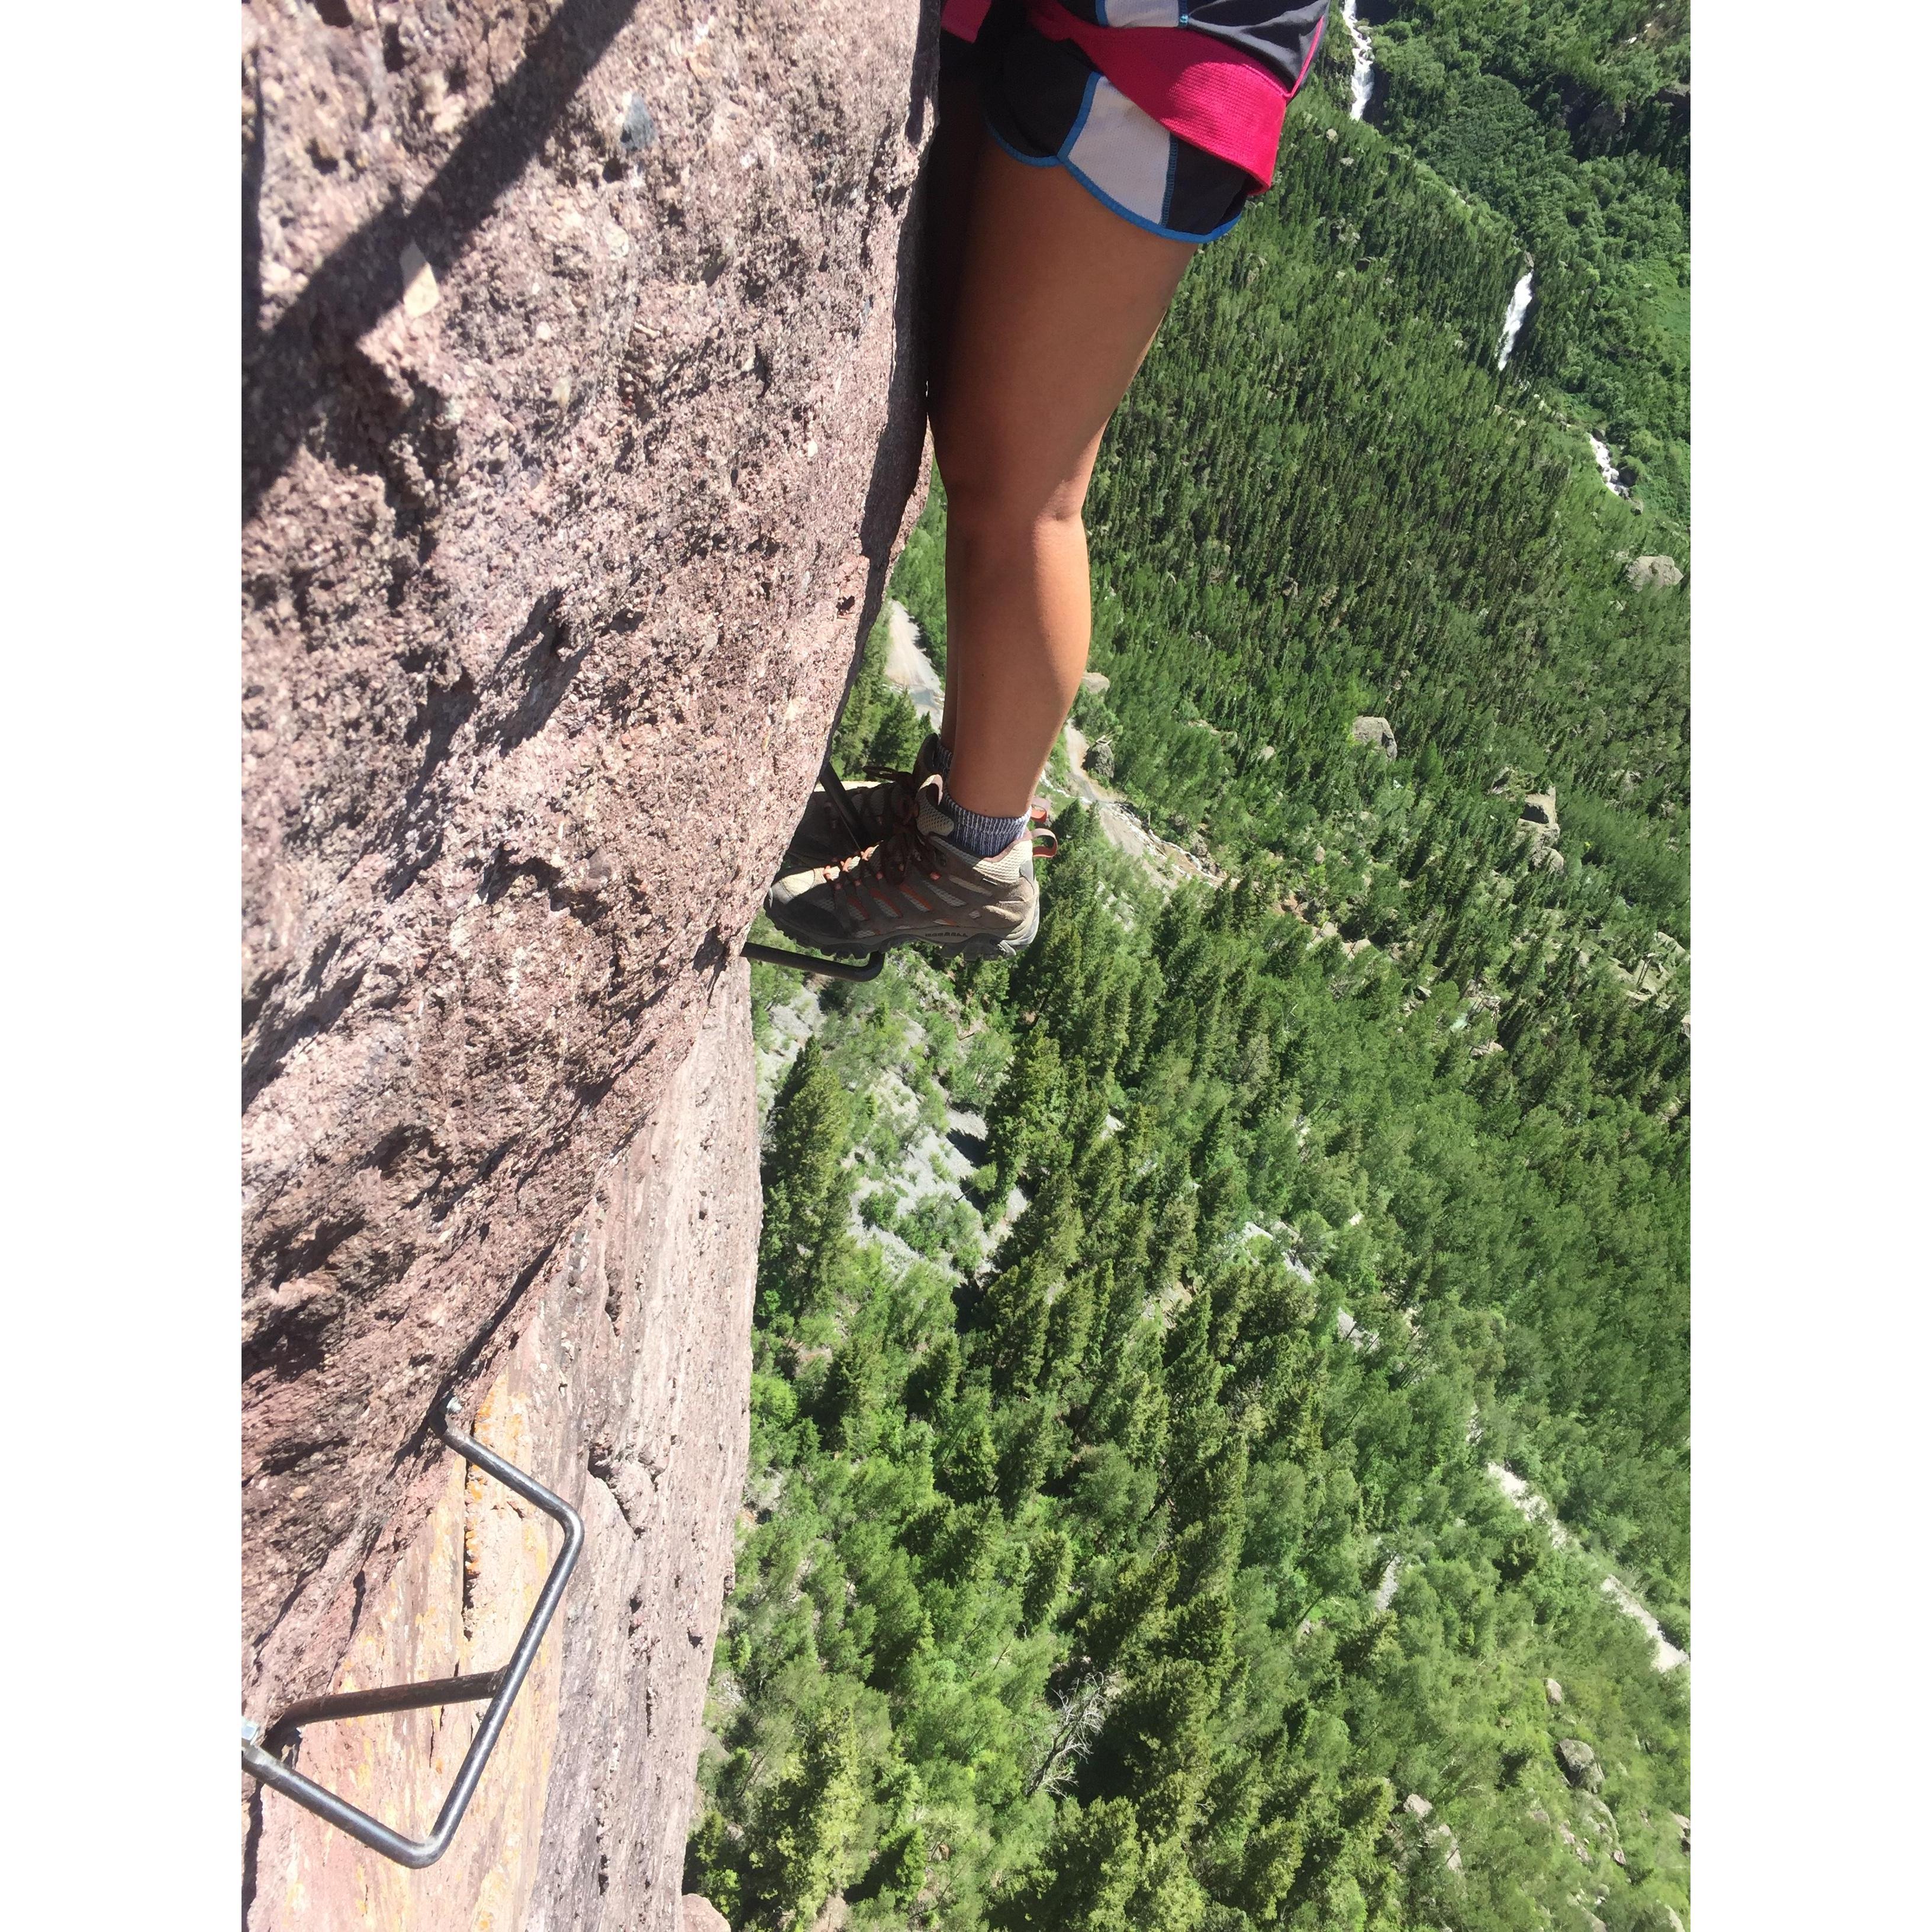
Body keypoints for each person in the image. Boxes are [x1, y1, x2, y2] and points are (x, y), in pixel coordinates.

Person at [765, 0, 1330, 960]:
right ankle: (956, 802)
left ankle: (979, 860)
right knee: (981, 448)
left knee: (1025, 493)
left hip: (1166, 54)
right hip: (1067, 29)